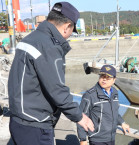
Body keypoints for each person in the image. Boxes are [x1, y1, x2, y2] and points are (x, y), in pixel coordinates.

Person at [8, 2, 94, 145]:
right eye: (72, 30)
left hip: (19, 117)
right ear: (67, 26)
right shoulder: (49, 46)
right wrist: (79, 117)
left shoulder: (31, 38)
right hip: (35, 124)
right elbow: (57, 90)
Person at [77, 65, 130, 145]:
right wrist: (83, 139)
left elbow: (114, 112)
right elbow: (81, 117)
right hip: (97, 139)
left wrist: (122, 122)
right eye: (102, 76)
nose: (104, 79)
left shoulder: (115, 93)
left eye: (108, 77)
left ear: (114, 80)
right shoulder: (90, 95)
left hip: (111, 137)